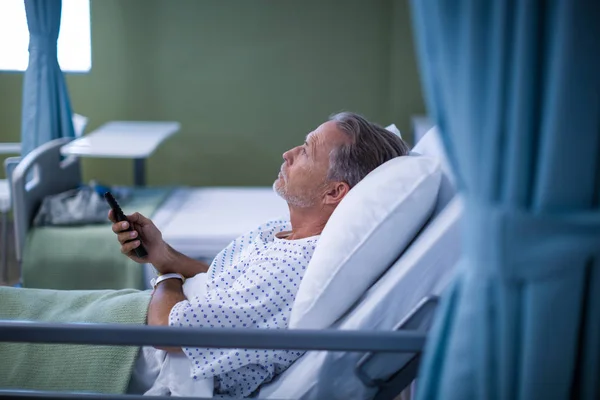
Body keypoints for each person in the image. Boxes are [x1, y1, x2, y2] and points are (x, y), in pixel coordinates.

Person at [111, 112, 410, 397]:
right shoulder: (281, 231)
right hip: (143, 313)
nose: (288, 154)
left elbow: (169, 333)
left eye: (306, 150)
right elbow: (224, 283)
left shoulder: (295, 270)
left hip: (137, 357)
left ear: (334, 192)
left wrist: (167, 275)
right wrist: (161, 253)